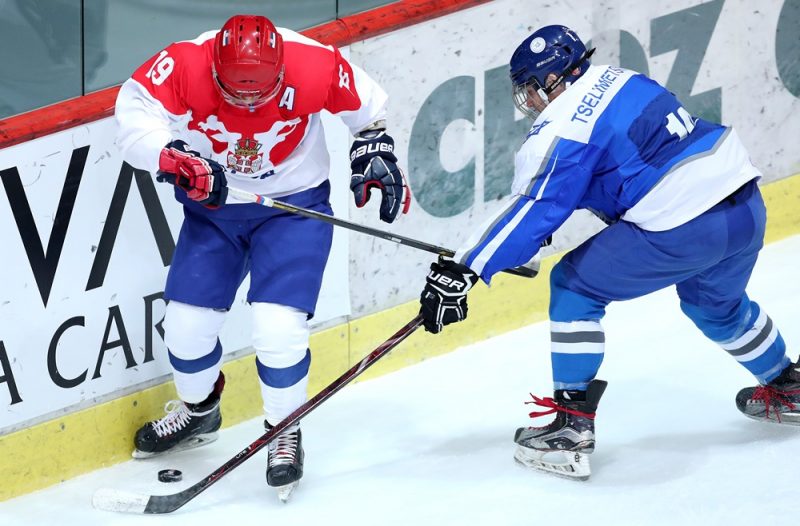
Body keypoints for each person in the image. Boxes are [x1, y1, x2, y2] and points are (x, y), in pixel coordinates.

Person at [418, 24, 797, 480]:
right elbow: (608, 176)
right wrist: (516, 245)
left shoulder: (563, 124)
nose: (532, 102)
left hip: (684, 226)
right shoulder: (621, 78)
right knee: (715, 306)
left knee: (573, 287)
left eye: (532, 90)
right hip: (744, 208)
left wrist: (466, 266)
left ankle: (570, 428)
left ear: (554, 81)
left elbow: (536, 207)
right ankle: (788, 385)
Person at [115, 14, 408, 500]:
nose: (248, 102)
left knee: (277, 332)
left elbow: (369, 112)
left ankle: (284, 430)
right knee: (185, 333)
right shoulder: (186, 62)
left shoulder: (313, 62)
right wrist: (173, 156)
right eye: (236, 93)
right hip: (215, 211)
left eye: (259, 92)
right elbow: (133, 113)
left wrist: (374, 147)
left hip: (293, 210)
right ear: (214, 71)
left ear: (280, 70)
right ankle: (200, 410)